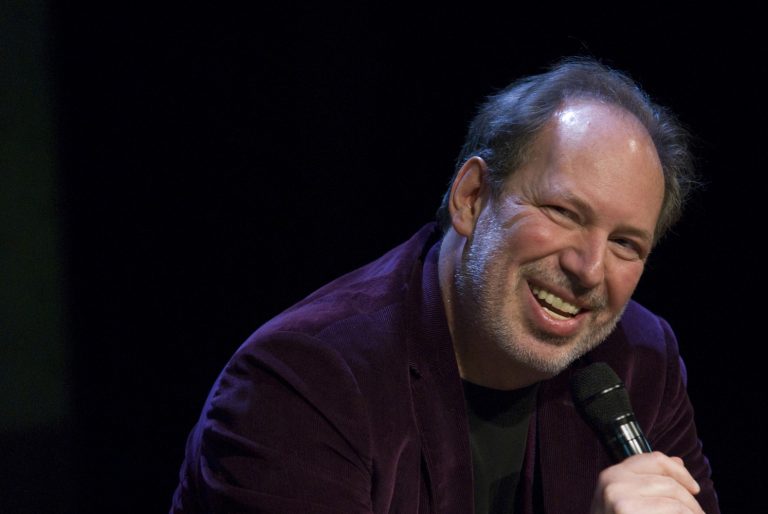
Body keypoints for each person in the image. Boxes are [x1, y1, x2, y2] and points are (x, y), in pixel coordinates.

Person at [170, 57, 720, 513]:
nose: (589, 268)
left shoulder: (640, 360)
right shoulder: (305, 381)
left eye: (625, 243)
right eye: (562, 212)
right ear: (472, 197)